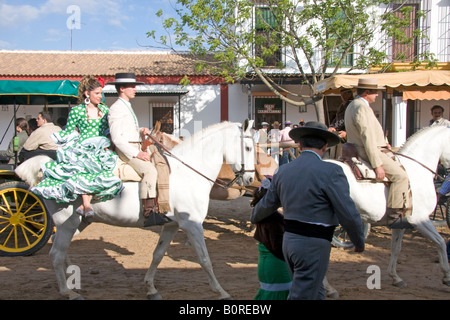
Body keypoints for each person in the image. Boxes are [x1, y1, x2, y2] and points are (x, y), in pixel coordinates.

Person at [251, 121, 365, 300]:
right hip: (313, 244)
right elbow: (347, 212)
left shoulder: (283, 171)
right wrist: (358, 239)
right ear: (326, 146)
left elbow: (267, 204)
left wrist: (254, 215)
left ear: (300, 145)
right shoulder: (331, 171)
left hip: (289, 242)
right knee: (302, 294)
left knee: (315, 290)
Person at [31, 76, 123, 217]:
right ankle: (86, 205)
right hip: (83, 147)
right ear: (87, 94)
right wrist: (64, 143)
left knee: (103, 173)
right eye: (97, 93)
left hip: (101, 148)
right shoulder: (77, 111)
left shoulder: (105, 111)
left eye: (101, 93)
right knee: (84, 167)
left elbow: (108, 131)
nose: (100, 96)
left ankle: (84, 204)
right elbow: (68, 131)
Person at [344, 78, 412, 229]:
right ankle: (394, 218)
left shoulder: (352, 105)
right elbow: (367, 136)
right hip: (368, 150)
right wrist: (377, 165)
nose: (376, 95)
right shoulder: (361, 107)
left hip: (366, 147)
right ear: (367, 92)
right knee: (401, 177)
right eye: (375, 92)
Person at [107, 72, 170, 226]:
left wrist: (141, 130)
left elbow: (127, 129)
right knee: (150, 170)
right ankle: (149, 213)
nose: (135, 89)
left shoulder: (126, 106)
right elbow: (117, 138)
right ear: (122, 88)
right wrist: (137, 153)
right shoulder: (116, 109)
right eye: (132, 86)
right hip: (127, 150)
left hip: (135, 145)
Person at [251, 178, 292, 300]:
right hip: (278, 265)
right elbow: (278, 246)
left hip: (265, 264)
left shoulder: (262, 215)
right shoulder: (275, 219)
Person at [327, 89, 354, 159]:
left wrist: (346, 132)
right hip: (339, 130)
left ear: (350, 94)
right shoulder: (342, 105)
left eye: (345, 94)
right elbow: (337, 118)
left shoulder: (353, 105)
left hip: (349, 134)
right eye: (342, 94)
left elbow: (352, 121)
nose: (343, 96)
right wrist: (332, 126)